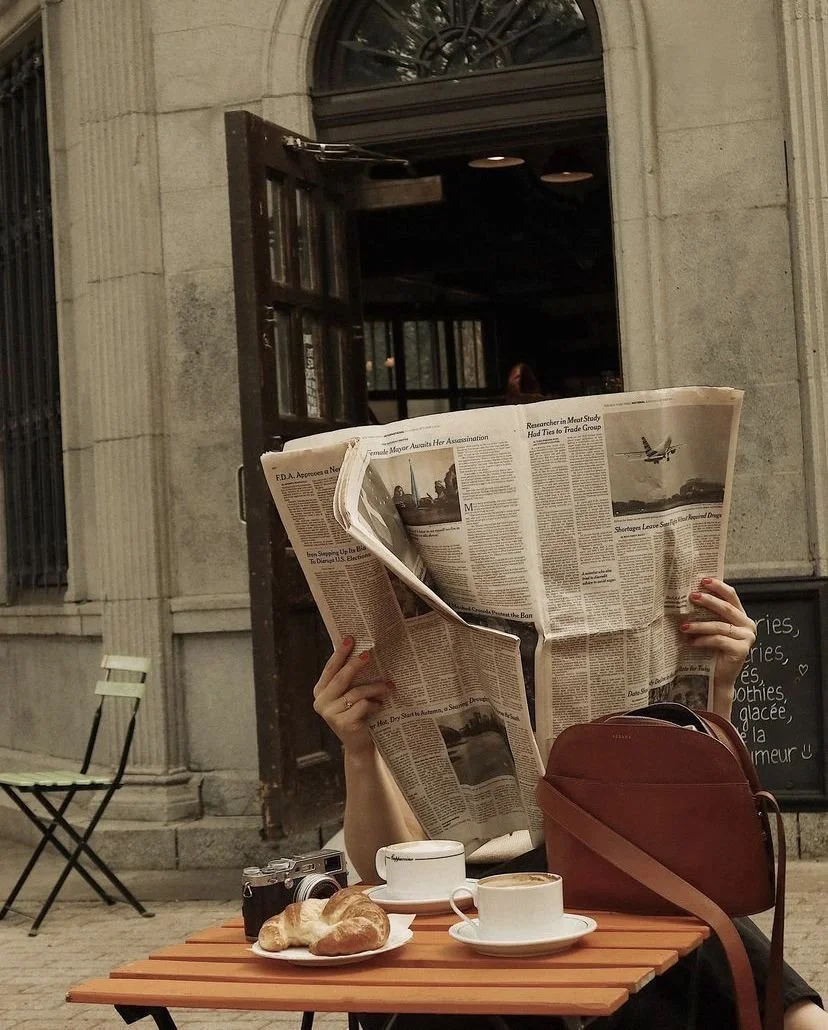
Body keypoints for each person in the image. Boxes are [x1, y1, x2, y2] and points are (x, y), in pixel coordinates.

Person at [312, 578, 826, 1030]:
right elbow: (386, 865)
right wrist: (358, 751)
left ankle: (797, 1017)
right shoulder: (404, 673)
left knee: (660, 895)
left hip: (607, 892)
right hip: (470, 911)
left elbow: (687, 818)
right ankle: (798, 1017)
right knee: (642, 889)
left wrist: (720, 682)